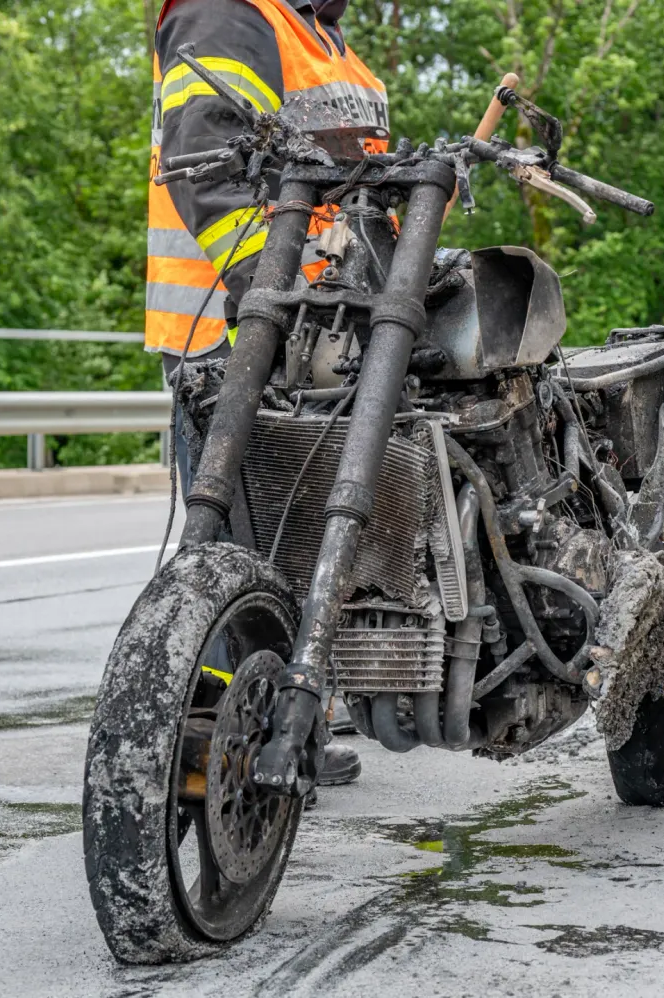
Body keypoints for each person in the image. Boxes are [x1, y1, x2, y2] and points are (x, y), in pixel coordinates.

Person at [145, 0, 389, 788]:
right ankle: (213, 752)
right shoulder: (228, 14)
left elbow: (357, 188)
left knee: (294, 543)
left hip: (320, 335)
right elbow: (207, 161)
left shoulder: (326, 39)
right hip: (238, 332)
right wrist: (276, 294)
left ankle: (286, 726)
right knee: (231, 550)